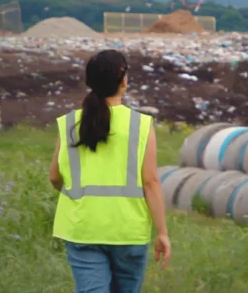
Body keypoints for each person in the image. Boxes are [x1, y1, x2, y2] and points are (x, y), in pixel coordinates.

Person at [49, 49, 171, 293]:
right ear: (123, 79)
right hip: (128, 231)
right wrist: (162, 233)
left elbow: (54, 177)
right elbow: (150, 182)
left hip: (82, 227)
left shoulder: (69, 123)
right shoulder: (140, 124)